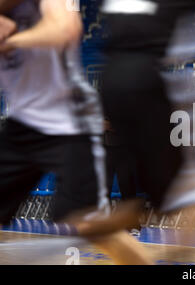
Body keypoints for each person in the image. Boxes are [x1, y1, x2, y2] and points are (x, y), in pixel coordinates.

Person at [0, 0, 153, 265]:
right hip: (22, 124)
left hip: (68, 122)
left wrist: (13, 40)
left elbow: (63, 30)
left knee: (90, 226)